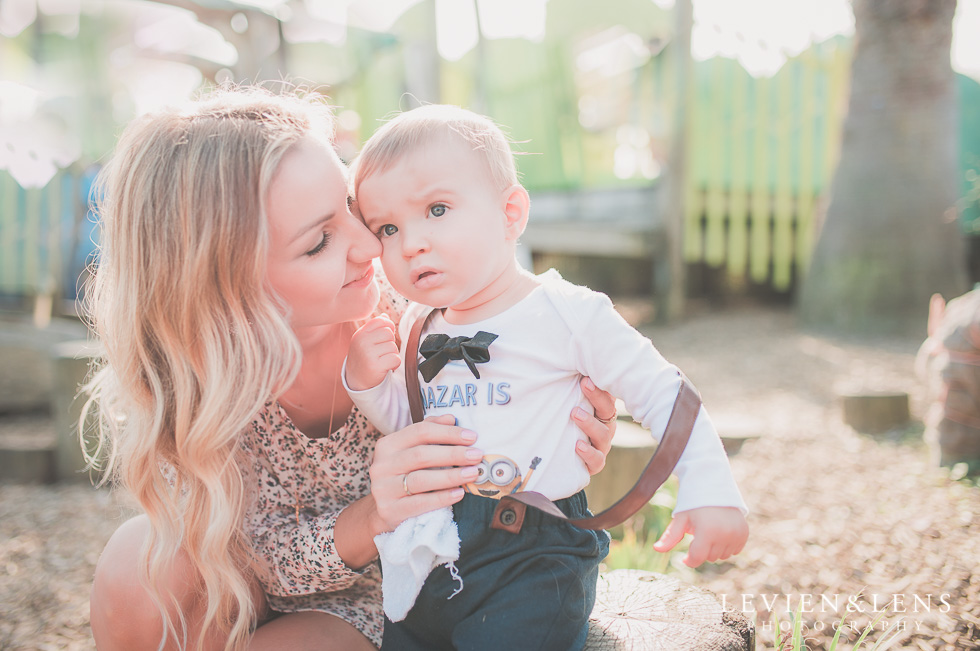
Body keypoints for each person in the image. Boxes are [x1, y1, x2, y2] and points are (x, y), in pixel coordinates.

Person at [84, 86, 619, 651]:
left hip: (400, 594)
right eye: (320, 241)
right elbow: (251, 556)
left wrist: (556, 421)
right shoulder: (195, 379)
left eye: (350, 207)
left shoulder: (423, 313)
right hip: (244, 588)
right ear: (225, 288)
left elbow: (534, 353)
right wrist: (369, 516)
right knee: (137, 565)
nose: (368, 243)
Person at [343, 104, 749, 649]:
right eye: (387, 228)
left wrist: (708, 485)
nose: (410, 242)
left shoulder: (566, 312)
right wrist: (369, 383)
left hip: (533, 552)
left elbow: (663, 390)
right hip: (433, 545)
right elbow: (413, 427)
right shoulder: (418, 325)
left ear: (511, 213)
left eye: (437, 209)